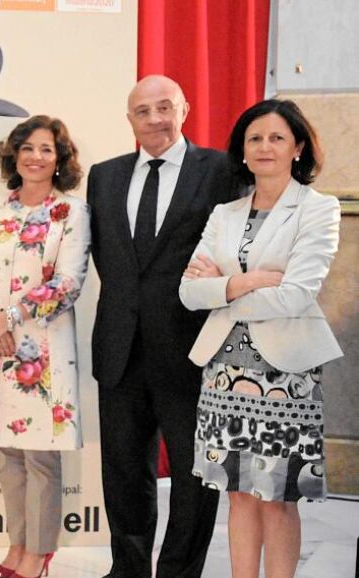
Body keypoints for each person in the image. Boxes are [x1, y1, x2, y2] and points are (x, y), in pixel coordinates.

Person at [180, 98, 340, 578]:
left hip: (284, 378)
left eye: (276, 137)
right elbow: (188, 292)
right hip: (223, 375)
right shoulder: (225, 213)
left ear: (298, 147)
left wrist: (221, 289)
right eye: (254, 138)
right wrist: (247, 282)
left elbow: (295, 295)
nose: (264, 146)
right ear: (242, 151)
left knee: (277, 499)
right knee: (238, 495)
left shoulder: (317, 209)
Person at [86, 75, 237, 578]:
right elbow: (110, 258)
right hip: (119, 349)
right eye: (143, 111)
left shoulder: (220, 170)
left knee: (196, 475)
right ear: (129, 120)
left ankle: (178, 573)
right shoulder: (104, 176)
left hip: (192, 349)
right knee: (124, 471)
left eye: (165, 107)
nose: (155, 119)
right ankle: (127, 570)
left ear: (184, 109)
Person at [0, 115, 90, 578]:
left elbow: (68, 282)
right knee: (8, 456)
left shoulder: (71, 212)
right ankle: (16, 545)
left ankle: (39, 553)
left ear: (60, 160)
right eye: (28, 148)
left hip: (43, 350)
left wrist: (9, 317)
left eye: (46, 149)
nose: (36, 157)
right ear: (14, 155)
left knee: (40, 457)